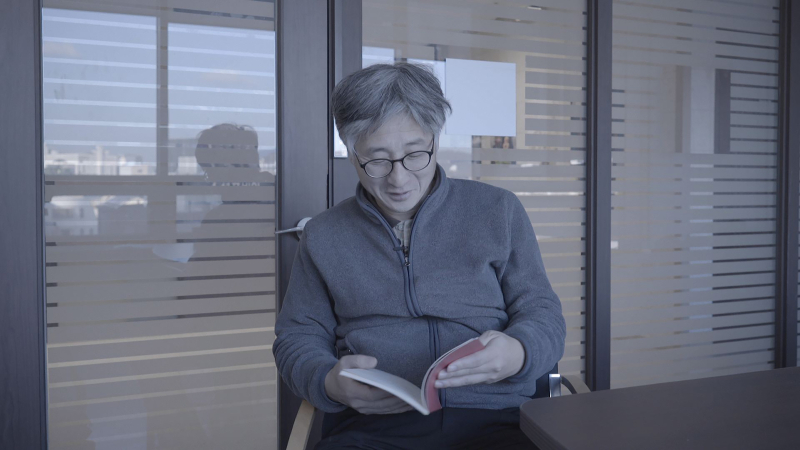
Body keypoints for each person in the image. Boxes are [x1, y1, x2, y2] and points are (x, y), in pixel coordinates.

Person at [272, 62, 566, 449]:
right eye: (377, 159)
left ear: (435, 140)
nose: (399, 178)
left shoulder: (498, 210)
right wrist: (328, 381)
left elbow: (542, 312)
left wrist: (519, 351)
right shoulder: (324, 235)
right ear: (351, 152)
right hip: (372, 426)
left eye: (415, 154)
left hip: (496, 417)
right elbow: (297, 337)